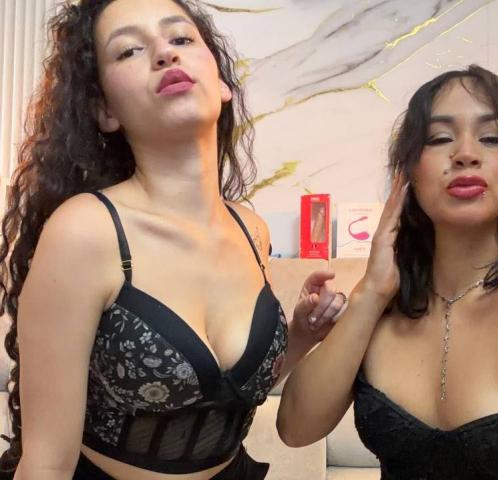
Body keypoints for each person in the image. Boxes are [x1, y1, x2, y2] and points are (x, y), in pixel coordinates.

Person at [0, 0, 344, 479]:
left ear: (221, 83)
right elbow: (46, 465)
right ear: (105, 110)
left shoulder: (251, 230)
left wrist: (301, 336)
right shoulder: (86, 232)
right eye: (129, 51)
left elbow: (221, 396)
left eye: (181, 38)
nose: (165, 53)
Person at [277, 65, 498, 480]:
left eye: (491, 137)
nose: (466, 153)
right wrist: (370, 293)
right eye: (439, 139)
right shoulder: (383, 299)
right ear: (407, 173)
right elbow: (295, 429)